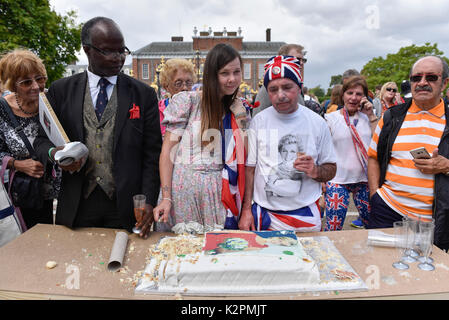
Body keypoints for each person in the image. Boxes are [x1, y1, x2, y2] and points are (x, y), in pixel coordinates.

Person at [33, 17, 162, 238]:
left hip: (127, 206)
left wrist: (149, 200)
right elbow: (40, 140)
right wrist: (56, 154)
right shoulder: (61, 90)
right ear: (87, 50)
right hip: (77, 204)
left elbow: (152, 154)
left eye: (122, 51)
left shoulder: (143, 94)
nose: (118, 58)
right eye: (109, 51)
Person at [153, 43, 251, 232]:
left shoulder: (239, 108)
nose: (232, 79)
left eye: (236, 72)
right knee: (183, 253)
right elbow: (167, 152)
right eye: (224, 73)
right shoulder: (188, 101)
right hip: (184, 194)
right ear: (212, 75)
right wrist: (166, 197)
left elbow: (246, 154)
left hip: (219, 195)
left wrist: (240, 117)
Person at [239, 55, 336, 232]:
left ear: (299, 88)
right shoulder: (259, 121)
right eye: (273, 89)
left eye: (287, 87)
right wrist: (246, 210)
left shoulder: (317, 122)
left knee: (308, 260)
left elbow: (331, 168)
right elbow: (250, 169)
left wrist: (315, 171)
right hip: (265, 217)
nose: (280, 95)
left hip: (305, 216)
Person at [367, 56, 449, 251]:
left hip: (435, 219)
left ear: (444, 83)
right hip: (388, 211)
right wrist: (374, 196)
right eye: (416, 78)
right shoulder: (391, 117)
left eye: (431, 77)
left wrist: (447, 166)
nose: (422, 83)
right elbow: (373, 158)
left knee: (428, 276)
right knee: (383, 270)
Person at [0, 49, 61, 229]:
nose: (36, 86)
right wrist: (17, 164)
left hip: (59, 191)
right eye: (27, 82)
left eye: (40, 78)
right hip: (24, 193)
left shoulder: (53, 101)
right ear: (12, 85)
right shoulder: (3, 109)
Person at [323, 76, 378, 231]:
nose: (354, 98)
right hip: (337, 180)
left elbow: (378, 143)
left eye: (358, 94)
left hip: (365, 180)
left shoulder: (369, 118)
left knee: (372, 226)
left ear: (365, 97)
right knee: (333, 229)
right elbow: (322, 150)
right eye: (350, 93)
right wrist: (321, 181)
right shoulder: (330, 119)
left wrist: (371, 116)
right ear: (343, 95)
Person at [253, 44, 306, 116]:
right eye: (297, 59)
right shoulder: (269, 87)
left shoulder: (297, 83)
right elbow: (258, 117)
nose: (301, 63)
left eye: (303, 60)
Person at [158, 59, 196, 137]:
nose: (185, 88)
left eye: (188, 83)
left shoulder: (200, 110)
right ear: (166, 86)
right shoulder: (156, 111)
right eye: (178, 83)